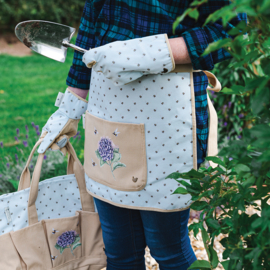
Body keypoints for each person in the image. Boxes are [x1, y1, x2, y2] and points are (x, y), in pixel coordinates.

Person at [38, 1, 247, 269]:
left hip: (167, 117)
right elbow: (91, 27)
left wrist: (152, 52)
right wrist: (70, 107)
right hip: (107, 115)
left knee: (169, 250)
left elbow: (234, 30)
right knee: (119, 250)